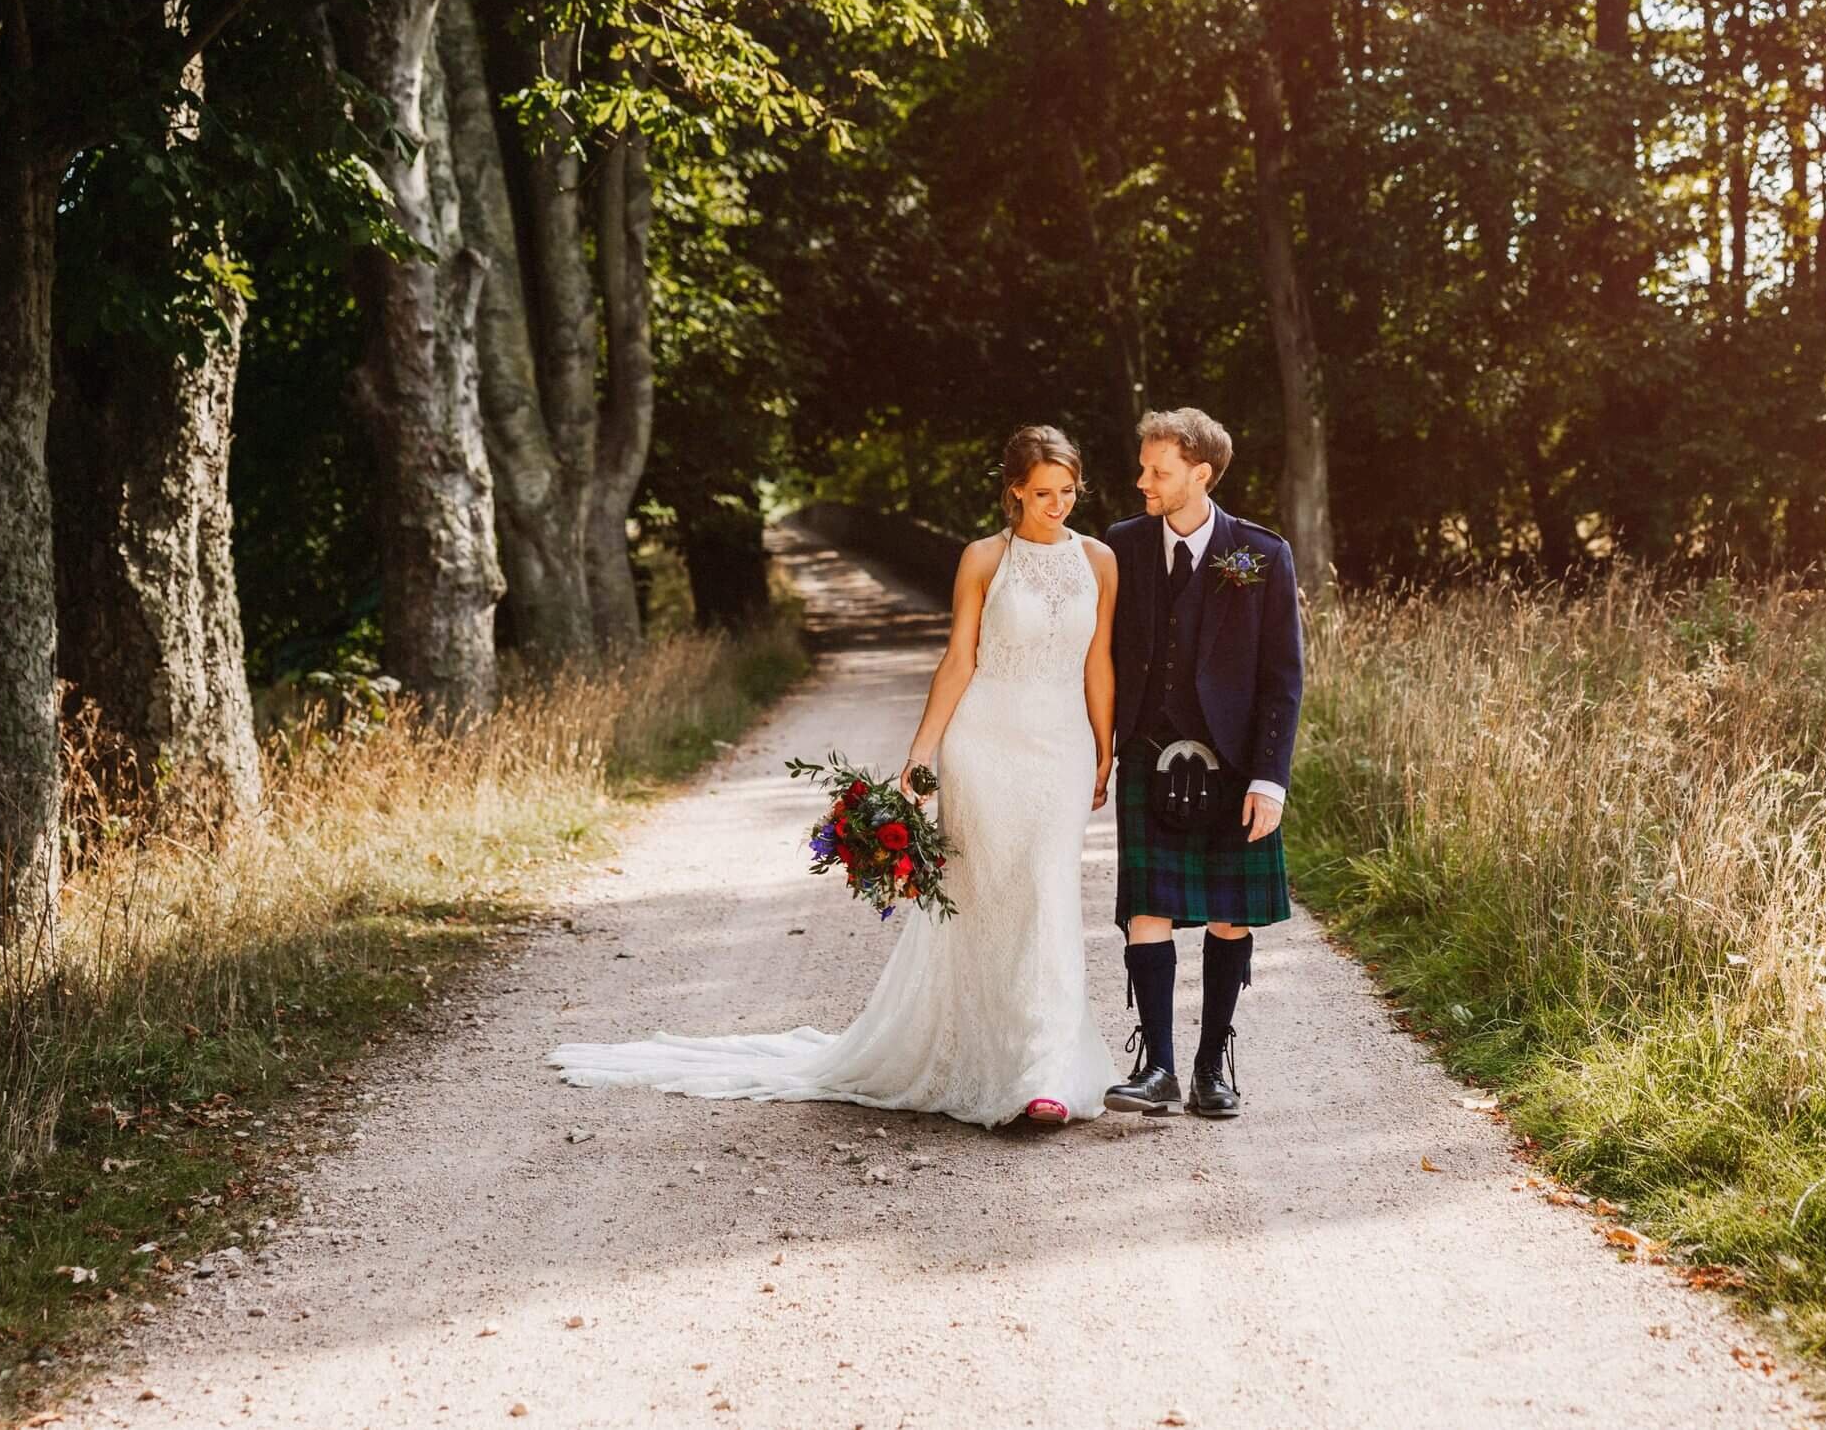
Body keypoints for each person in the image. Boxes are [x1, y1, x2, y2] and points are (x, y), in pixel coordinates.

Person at [546, 426, 1120, 1129]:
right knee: (985, 899)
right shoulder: (981, 559)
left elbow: (1099, 661)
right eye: (1041, 494)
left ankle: (1050, 1067)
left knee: (1051, 890)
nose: (1056, 505)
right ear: (1013, 491)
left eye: (1067, 492)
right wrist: (920, 755)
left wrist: (1104, 743)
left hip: (1060, 747)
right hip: (986, 744)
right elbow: (958, 661)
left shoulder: (1099, 560)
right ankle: (1000, 1057)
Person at [1100, 408, 1304, 1120]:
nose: (1142, 481)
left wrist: (1269, 778)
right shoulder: (1119, 547)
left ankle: (1212, 1069)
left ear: (1200, 474)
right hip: (1149, 756)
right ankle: (1156, 1065)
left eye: (1158, 471)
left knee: (1230, 916)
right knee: (1147, 910)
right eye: (1144, 466)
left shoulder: (1261, 554)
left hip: (1234, 766)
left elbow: (1284, 678)